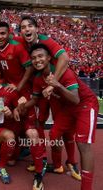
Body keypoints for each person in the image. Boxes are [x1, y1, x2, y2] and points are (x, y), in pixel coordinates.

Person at [17, 43, 99, 190]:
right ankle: (57, 166)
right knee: (54, 134)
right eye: (34, 58)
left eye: (40, 56)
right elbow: (35, 100)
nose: (37, 60)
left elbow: (76, 99)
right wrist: (20, 107)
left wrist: (56, 85)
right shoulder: (38, 79)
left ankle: (86, 187)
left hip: (85, 105)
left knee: (83, 144)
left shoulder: (64, 73)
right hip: (67, 108)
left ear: (49, 58)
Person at [0, 21, 47, 190]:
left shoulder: (17, 47)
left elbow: (29, 69)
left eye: (2, 34)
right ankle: (14, 152)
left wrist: (19, 87)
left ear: (9, 33)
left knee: (32, 131)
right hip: (8, 92)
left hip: (23, 93)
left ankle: (39, 173)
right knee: (8, 126)